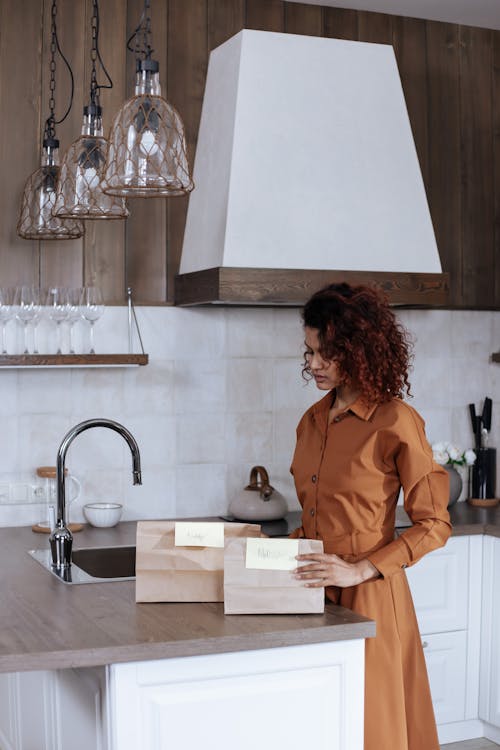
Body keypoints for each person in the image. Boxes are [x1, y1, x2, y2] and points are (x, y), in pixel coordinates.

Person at [289, 282, 451, 750]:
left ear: (357, 350)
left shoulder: (395, 420)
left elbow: (435, 523)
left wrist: (360, 567)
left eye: (325, 353)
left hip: (371, 598)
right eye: (309, 352)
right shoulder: (312, 421)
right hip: (313, 593)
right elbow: (315, 518)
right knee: (323, 728)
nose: (314, 364)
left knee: (373, 731)